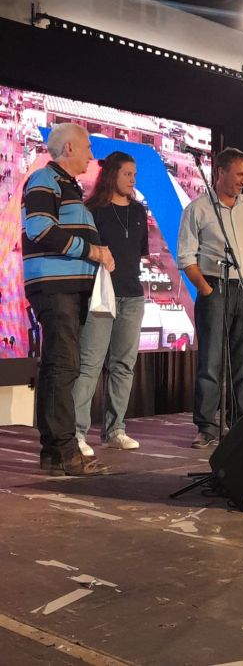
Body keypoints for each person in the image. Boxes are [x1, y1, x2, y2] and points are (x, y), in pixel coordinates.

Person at [22, 123, 115, 476]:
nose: (92, 155)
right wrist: (92, 251)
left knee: (62, 366)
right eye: (88, 147)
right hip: (54, 286)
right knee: (62, 366)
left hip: (65, 287)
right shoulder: (46, 179)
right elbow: (40, 229)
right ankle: (64, 450)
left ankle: (55, 451)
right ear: (69, 149)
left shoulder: (66, 185)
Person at [177, 147, 243, 448]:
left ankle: (241, 422)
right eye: (239, 174)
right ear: (220, 172)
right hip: (215, 287)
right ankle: (206, 426)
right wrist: (205, 288)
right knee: (211, 362)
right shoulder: (198, 209)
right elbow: (185, 257)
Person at [72, 151, 148, 455]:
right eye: (127, 174)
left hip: (133, 296)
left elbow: (137, 254)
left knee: (123, 366)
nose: (132, 180)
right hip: (100, 297)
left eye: (135, 175)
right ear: (112, 174)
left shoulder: (140, 212)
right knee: (89, 365)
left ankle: (115, 429)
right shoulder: (93, 210)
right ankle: (76, 433)